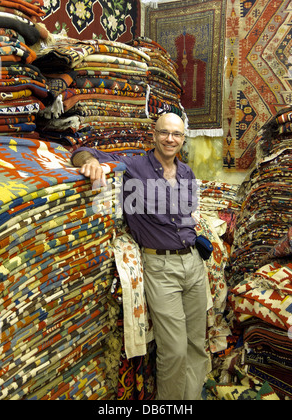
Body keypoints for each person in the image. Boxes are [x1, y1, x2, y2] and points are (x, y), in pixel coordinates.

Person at [71, 113, 208, 400]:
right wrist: (90, 163)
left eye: (177, 134)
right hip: (161, 266)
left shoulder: (187, 173)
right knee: (174, 350)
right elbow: (81, 151)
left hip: (194, 263)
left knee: (196, 345)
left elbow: (189, 215)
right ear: (154, 134)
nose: (170, 139)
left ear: (183, 139)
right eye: (164, 133)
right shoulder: (133, 165)